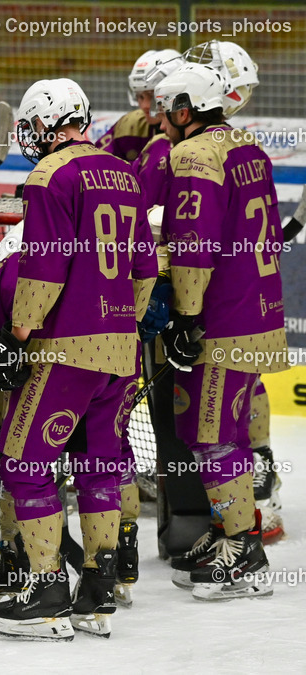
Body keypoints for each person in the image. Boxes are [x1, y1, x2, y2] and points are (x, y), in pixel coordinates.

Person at [0, 79, 156, 641]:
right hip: (118, 349)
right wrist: (119, 317)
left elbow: (44, 266)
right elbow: (146, 270)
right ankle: (99, 587)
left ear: (42, 125)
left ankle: (46, 590)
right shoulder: (124, 173)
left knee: (24, 462)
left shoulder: (49, 176)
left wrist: (18, 331)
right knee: (99, 465)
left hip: (64, 350)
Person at [155, 62, 287, 600]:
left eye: (166, 112)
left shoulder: (192, 153)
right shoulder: (247, 148)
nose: (161, 122)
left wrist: (185, 317)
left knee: (209, 437)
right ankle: (232, 529)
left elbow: (194, 245)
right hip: (259, 310)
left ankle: (243, 551)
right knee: (224, 432)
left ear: (185, 110)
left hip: (223, 319)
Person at [97, 49, 181, 162]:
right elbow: (96, 163)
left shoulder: (197, 130)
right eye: (140, 97)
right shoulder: (128, 127)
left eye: (153, 96)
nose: (145, 105)